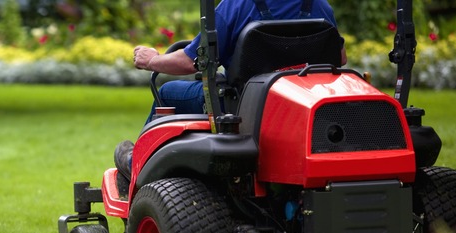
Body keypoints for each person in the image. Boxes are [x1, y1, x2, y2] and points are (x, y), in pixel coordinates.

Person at [114, 0, 347, 188]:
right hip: (301, 105)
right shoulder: (319, 5)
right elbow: (340, 57)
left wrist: (152, 60)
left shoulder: (236, 5)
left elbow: (189, 61)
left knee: (168, 92)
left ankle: (136, 165)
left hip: (240, 107)